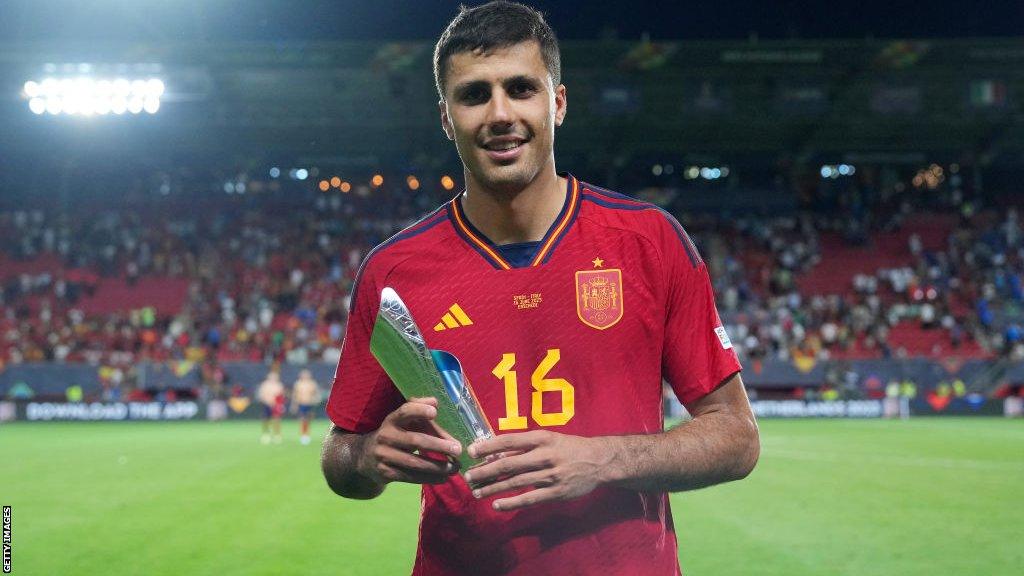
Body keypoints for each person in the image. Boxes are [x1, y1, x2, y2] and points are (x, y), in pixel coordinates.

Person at [320, 2, 759, 574]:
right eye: (474, 95)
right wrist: (372, 458)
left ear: (558, 102)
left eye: (522, 88)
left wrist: (600, 460)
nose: (500, 113)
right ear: (447, 118)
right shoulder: (393, 271)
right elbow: (340, 455)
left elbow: (736, 438)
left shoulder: (649, 242)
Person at [291, 368, 322, 445]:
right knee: (303, 420)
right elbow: (295, 395)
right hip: (301, 404)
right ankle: (303, 435)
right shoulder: (298, 384)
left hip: (309, 404)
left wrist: (316, 399)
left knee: (308, 420)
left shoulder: (312, 383)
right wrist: (294, 405)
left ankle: (307, 434)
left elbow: (317, 393)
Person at [257, 370, 285, 444]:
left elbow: (281, 396)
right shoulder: (265, 385)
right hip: (266, 404)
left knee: (276, 420)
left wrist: (279, 404)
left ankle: (277, 435)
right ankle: (266, 434)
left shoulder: (279, 385)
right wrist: (267, 401)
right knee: (265, 420)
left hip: (276, 405)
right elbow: (261, 395)